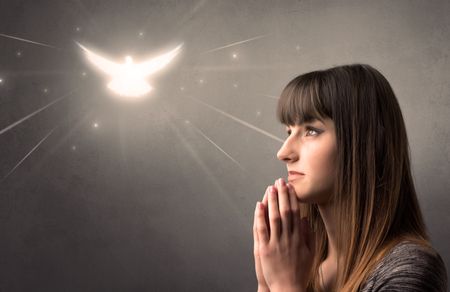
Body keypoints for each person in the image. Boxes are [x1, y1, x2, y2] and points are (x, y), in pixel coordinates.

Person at [253, 64, 448, 292]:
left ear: (365, 143)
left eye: (311, 131)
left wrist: (285, 286)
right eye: (289, 131)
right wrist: (265, 285)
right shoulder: (300, 265)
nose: (283, 153)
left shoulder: (408, 269)